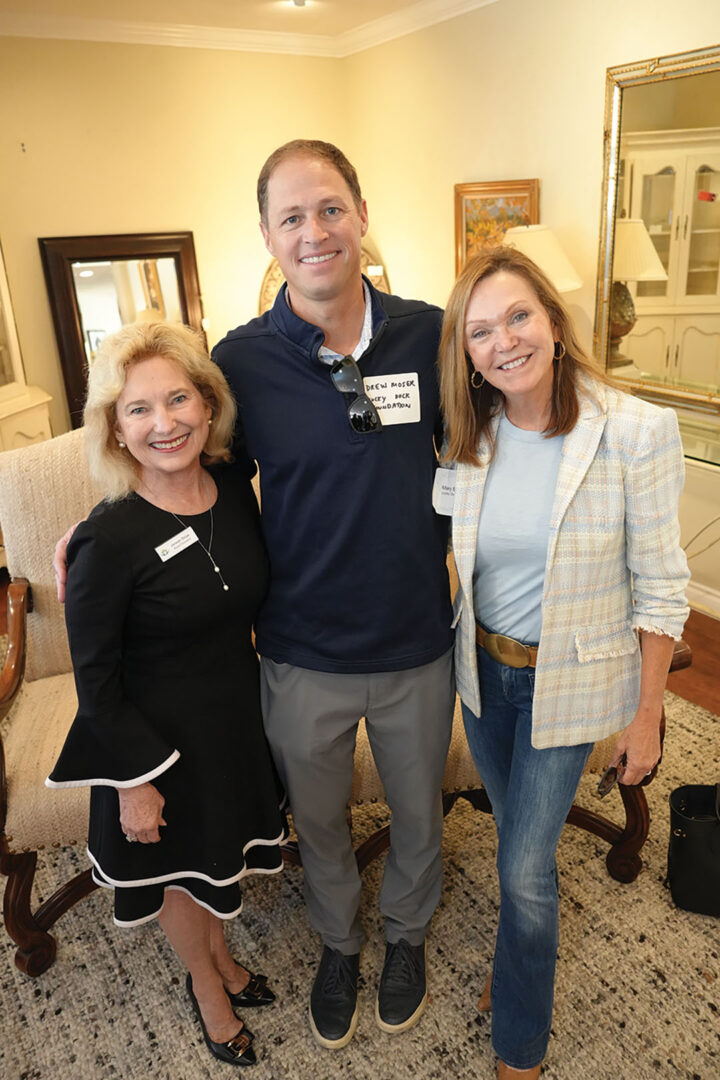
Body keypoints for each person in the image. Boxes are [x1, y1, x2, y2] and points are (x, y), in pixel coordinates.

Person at [212, 140, 455, 1048]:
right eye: (291, 218)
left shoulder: (430, 334)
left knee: (418, 812)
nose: (314, 233)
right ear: (269, 238)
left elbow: (509, 423)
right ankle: (338, 943)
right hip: (301, 649)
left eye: (329, 210)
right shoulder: (240, 363)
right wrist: (102, 526)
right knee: (318, 821)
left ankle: (404, 937)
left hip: (415, 642)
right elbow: (198, 484)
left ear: (360, 214)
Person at [436, 245, 690, 1079]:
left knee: (524, 868)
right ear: (465, 353)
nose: (503, 341)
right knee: (516, 838)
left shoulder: (633, 429)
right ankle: (515, 968)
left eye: (517, 317)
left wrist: (647, 714)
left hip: (568, 682)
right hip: (483, 678)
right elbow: (449, 556)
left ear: (550, 318)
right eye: (480, 332)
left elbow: (660, 586)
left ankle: (522, 1046)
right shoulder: (468, 438)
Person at [47, 321, 287, 1068]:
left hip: (231, 726)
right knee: (183, 881)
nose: (165, 423)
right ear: (115, 430)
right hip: (154, 746)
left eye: (179, 399)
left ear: (209, 405)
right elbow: (96, 681)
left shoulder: (236, 496)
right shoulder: (107, 539)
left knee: (216, 866)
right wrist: (134, 781)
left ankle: (222, 963)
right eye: (139, 409)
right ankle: (209, 990)